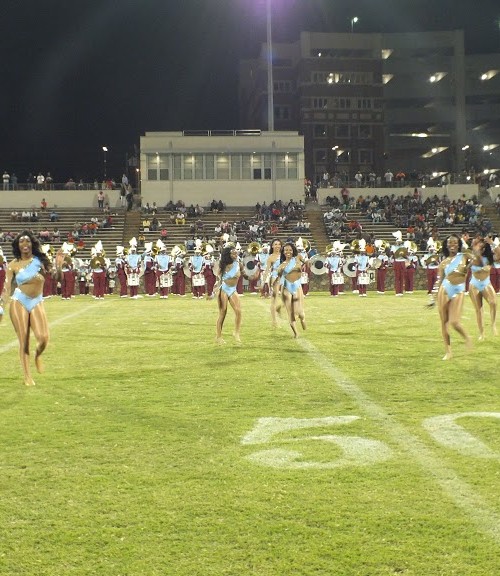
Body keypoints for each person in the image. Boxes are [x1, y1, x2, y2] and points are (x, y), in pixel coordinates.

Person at [1, 230, 58, 386]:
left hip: (37, 301)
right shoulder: (13, 265)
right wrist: (1, 307)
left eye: (27, 241)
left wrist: (58, 266)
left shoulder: (40, 261)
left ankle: (37, 355)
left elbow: (56, 277)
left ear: (32, 243)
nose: (24, 243)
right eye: (21, 241)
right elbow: (7, 288)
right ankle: (27, 376)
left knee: (43, 338)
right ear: (17, 245)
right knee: (24, 339)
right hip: (19, 301)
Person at [432, 234, 473, 360]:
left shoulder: (465, 256)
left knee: (454, 322)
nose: (452, 245)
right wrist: (433, 297)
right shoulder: (443, 263)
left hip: (459, 290)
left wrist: (467, 252)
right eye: (450, 242)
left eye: (455, 242)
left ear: (459, 244)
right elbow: (439, 281)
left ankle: (467, 337)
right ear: (446, 245)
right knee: (444, 322)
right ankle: (448, 352)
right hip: (445, 289)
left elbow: (477, 260)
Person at [468, 237, 497, 340]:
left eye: (479, 244)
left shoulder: (488, 257)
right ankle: (482, 333)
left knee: (493, 303)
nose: (477, 246)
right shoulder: (471, 256)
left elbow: (498, 255)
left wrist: (492, 243)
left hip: (486, 283)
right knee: (478, 309)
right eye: (476, 244)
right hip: (474, 284)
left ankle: (493, 324)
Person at [277, 242, 306, 338]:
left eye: (290, 250)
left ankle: (302, 319)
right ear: (283, 252)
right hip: (286, 288)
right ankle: (296, 333)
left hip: (297, 287)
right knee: (290, 312)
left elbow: (307, 262)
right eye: (286, 250)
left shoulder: (298, 258)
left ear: (293, 251)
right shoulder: (281, 265)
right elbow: (279, 278)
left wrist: (308, 262)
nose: (288, 252)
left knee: (300, 312)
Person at [215, 245, 242, 345]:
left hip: (233, 289)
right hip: (224, 289)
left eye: (236, 253)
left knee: (238, 311)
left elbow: (243, 273)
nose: (235, 255)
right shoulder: (223, 265)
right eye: (233, 253)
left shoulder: (238, 263)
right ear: (228, 255)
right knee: (223, 313)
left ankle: (236, 332)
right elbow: (218, 278)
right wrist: (215, 289)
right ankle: (218, 336)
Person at [263, 238, 283, 326]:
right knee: (274, 300)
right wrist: (263, 282)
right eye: (275, 244)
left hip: (285, 277)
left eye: (279, 244)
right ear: (272, 246)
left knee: (290, 297)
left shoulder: (285, 254)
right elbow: (267, 270)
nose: (277, 246)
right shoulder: (271, 257)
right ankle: (274, 321)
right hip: (275, 278)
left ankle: (279, 307)